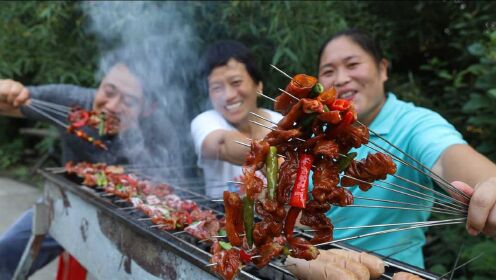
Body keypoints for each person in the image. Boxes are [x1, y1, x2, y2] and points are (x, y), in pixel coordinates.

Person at [314, 29, 496, 268]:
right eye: (328, 72)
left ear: (382, 69)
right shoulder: (313, 136)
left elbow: (448, 156)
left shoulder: (415, 124)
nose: (339, 79)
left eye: (352, 64)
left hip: (396, 272)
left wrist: (488, 183)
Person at [0, 62, 145, 279]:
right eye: (109, 91)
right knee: (6, 251)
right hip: (66, 203)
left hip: (130, 217)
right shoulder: (71, 103)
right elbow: (7, 103)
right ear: (100, 84)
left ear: (149, 108)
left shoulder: (159, 130)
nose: (112, 107)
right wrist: (6, 88)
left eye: (130, 101)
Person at [191, 40, 283, 198]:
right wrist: (276, 164)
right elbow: (223, 144)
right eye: (217, 88)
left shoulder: (281, 122)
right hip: (222, 220)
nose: (228, 96)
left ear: (258, 86)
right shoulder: (206, 121)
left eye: (236, 82)